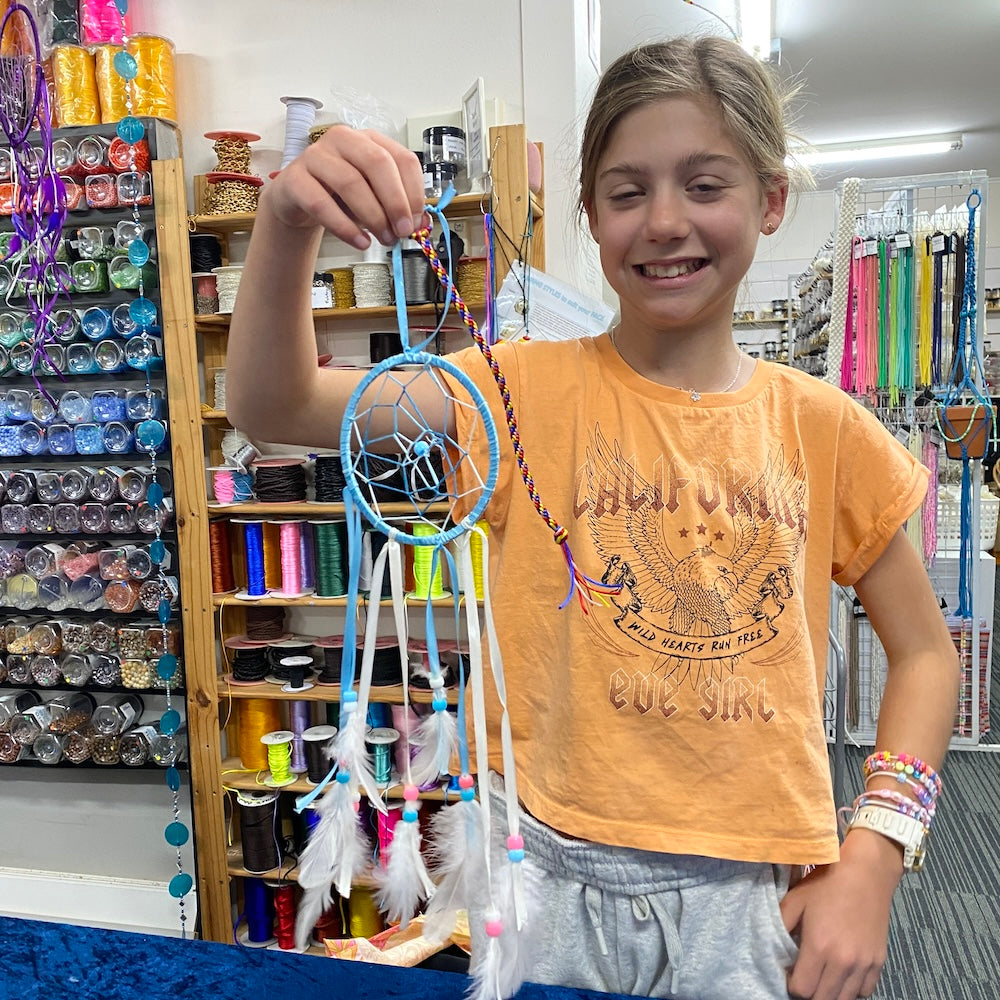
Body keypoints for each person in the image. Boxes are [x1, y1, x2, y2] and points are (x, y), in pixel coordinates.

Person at [227, 35, 960, 1000]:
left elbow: (927, 653)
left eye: (706, 185)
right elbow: (274, 405)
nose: (664, 222)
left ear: (771, 200)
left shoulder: (825, 429)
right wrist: (285, 221)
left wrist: (877, 851)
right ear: (589, 212)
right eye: (626, 192)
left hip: (746, 893)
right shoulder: (509, 391)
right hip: (542, 879)